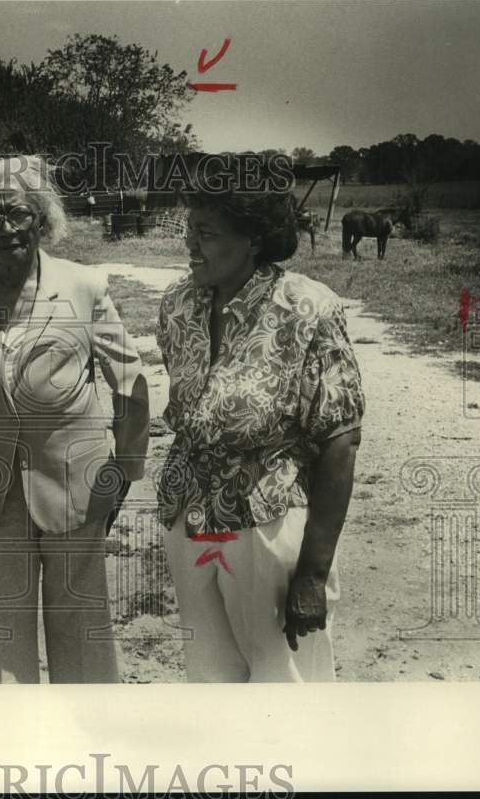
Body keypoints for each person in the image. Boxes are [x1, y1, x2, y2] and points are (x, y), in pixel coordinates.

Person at [0, 155, 150, 683]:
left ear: (42, 219)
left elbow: (131, 385)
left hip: (78, 485)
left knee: (80, 630)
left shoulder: (83, 286)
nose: (6, 230)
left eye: (19, 215)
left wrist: (123, 470)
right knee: (1, 638)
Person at [155, 154, 365, 682]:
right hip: (189, 518)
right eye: (188, 229)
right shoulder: (177, 304)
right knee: (209, 682)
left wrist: (313, 574)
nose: (190, 244)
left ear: (252, 239)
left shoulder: (309, 309)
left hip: (268, 527)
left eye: (205, 232)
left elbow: (341, 441)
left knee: (285, 686)